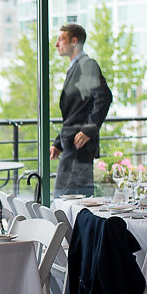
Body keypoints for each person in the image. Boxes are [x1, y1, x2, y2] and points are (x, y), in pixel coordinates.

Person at [50, 23, 112, 197]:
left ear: (74, 41)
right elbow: (78, 110)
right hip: (72, 145)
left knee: (67, 200)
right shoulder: (76, 67)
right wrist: (58, 142)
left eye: (61, 39)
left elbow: (104, 97)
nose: (56, 44)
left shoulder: (87, 65)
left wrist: (88, 130)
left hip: (79, 146)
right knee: (68, 200)